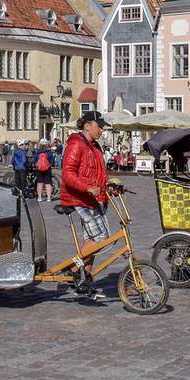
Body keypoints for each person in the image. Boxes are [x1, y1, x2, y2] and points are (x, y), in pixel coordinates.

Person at [59, 112, 112, 300]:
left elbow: (98, 173)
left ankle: (86, 278)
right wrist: (88, 188)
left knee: (93, 238)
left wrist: (109, 187)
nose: (102, 129)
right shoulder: (76, 144)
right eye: (99, 125)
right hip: (77, 198)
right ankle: (73, 268)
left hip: (92, 198)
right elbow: (67, 174)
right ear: (87, 125)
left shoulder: (94, 146)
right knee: (98, 237)